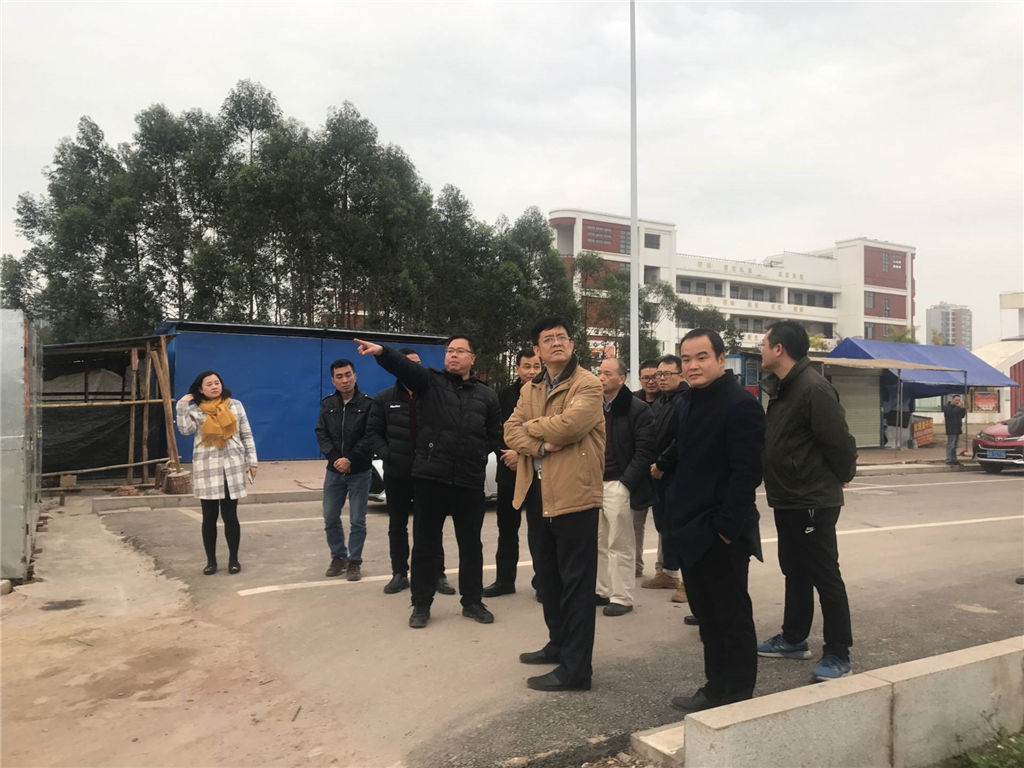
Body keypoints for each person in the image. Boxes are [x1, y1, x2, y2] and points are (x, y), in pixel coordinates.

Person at [355, 334, 502, 629]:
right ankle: (421, 604)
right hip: (431, 477)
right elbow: (405, 368)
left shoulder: (487, 395)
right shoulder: (431, 383)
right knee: (425, 544)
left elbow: (494, 435)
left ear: (473, 358)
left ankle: (472, 601)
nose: (453, 355)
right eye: (450, 351)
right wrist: (383, 352)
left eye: (460, 351)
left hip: (469, 480)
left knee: (471, 545)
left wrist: (475, 454)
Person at [664, 329, 764, 712]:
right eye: (687, 358)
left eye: (702, 357)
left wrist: (725, 529)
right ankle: (714, 686)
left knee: (731, 615)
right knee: (706, 615)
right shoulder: (687, 401)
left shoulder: (740, 404)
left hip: (721, 532)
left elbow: (747, 473)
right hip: (690, 527)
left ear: (721, 360)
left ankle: (737, 693)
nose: (693, 365)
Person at [505, 316, 604, 692]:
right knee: (548, 579)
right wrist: (542, 445)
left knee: (576, 585)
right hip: (537, 493)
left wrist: (531, 428)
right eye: (549, 339)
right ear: (538, 350)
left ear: (572, 344)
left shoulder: (588, 383)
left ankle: (576, 671)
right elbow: (510, 430)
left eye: (563, 337)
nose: (557, 342)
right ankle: (558, 644)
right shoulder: (529, 388)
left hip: (575, 495)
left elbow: (571, 426)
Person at [757, 320, 858, 682]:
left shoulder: (813, 388)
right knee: (795, 570)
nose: (760, 349)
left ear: (779, 349)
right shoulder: (783, 388)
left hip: (812, 497)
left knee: (824, 574)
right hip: (788, 497)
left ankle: (838, 653)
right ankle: (794, 638)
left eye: (764, 343)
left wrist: (844, 472)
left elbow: (839, 441)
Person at [366, 348, 455, 596]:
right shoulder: (385, 398)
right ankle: (399, 573)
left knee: (430, 526)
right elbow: (372, 433)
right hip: (398, 472)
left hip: (428, 472)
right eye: (409, 363)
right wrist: (388, 454)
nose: (415, 368)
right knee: (398, 525)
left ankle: (437, 573)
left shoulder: (434, 396)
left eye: (418, 363)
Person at [176, 370, 258, 575]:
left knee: (230, 515)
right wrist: (182, 405)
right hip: (207, 467)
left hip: (232, 465)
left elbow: (246, 434)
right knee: (209, 516)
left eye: (217, 382)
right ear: (200, 389)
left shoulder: (235, 405)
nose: (214, 386)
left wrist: (252, 461)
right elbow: (185, 430)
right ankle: (211, 561)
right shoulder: (195, 409)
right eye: (209, 384)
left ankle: (233, 559)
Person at [595, 358, 655, 617]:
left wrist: (626, 483)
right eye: (599, 372)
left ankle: (621, 597)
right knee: (597, 541)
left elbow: (645, 451)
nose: (601, 378)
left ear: (622, 378)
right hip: (593, 483)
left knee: (619, 542)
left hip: (619, 483)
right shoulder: (592, 405)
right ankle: (601, 590)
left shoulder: (638, 409)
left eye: (607, 373)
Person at [484, 348, 543, 599]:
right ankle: (504, 580)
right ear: (517, 369)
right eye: (526, 367)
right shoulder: (503, 396)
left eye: (536, 367)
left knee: (539, 531)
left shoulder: (548, 394)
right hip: (508, 471)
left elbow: (548, 431)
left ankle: (543, 582)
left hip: (538, 472)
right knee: (507, 529)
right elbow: (495, 431)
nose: (531, 372)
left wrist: (523, 455)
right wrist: (508, 454)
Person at [314, 359, 375, 582]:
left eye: (348, 375)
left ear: (355, 376)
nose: (345, 380)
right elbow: (321, 433)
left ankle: (354, 561)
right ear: (333, 380)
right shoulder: (328, 404)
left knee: (357, 520)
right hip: (334, 471)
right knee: (330, 516)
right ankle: (338, 557)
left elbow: (370, 436)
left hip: (359, 471)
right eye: (339, 376)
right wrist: (335, 459)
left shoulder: (368, 404)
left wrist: (350, 459)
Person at [644, 354, 689, 608]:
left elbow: (680, 439)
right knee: (665, 526)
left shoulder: (686, 400)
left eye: (666, 374)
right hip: (657, 474)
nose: (660, 379)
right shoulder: (662, 401)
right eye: (658, 374)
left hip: (676, 474)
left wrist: (662, 464)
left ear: (681, 375)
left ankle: (688, 582)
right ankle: (668, 574)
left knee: (680, 528)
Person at [632, 359, 660, 578]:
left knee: (664, 524)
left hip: (662, 470)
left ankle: (665, 569)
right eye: (646, 378)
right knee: (635, 523)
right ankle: (634, 566)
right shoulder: (632, 402)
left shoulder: (670, 400)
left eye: (654, 377)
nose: (650, 382)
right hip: (639, 471)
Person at [942, 395, 966, 466]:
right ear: (952, 400)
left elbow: (962, 415)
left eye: (959, 400)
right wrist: (958, 407)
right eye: (956, 400)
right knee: (951, 445)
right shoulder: (947, 407)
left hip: (957, 428)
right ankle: (949, 459)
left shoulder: (957, 408)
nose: (957, 402)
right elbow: (951, 414)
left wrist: (963, 408)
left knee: (955, 445)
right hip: (951, 429)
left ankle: (954, 459)